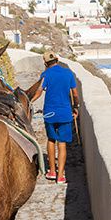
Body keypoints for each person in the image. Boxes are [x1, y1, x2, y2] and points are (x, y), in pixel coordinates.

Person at [27, 51, 78, 185]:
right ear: (57, 59)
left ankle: (52, 171)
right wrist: (76, 107)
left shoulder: (46, 74)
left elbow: (38, 91)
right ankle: (61, 176)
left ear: (45, 63)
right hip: (65, 113)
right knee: (62, 143)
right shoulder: (68, 73)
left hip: (50, 113)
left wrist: (29, 101)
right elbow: (75, 94)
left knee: (51, 140)